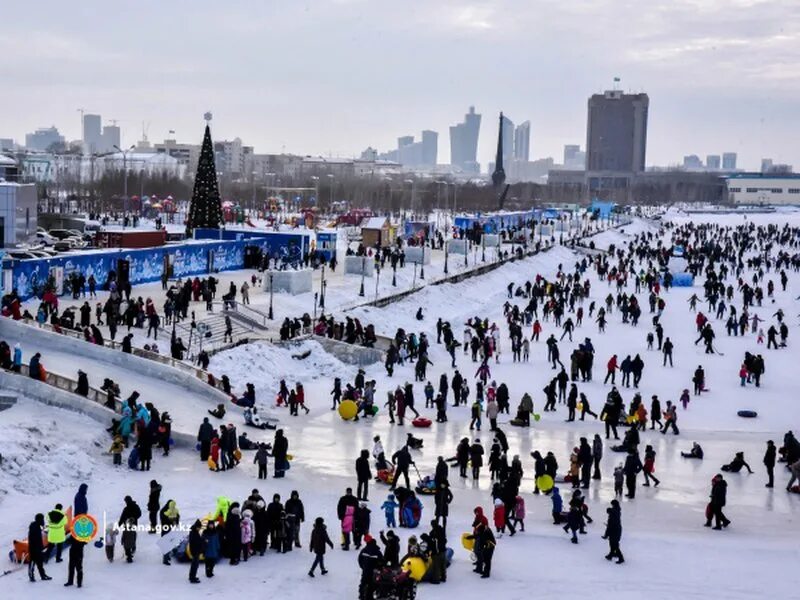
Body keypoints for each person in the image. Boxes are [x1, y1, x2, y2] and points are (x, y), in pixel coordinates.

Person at [357, 535, 384, 599]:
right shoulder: (377, 552)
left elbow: (359, 559)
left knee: (363, 583)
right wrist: (379, 568)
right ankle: (369, 597)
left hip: (365, 570)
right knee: (372, 584)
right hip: (373, 571)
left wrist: (363, 566)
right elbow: (382, 561)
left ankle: (361, 595)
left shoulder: (364, 550)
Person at [28, 513, 51, 582]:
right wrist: (36, 548)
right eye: (42, 519)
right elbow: (33, 539)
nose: (43, 521)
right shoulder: (34, 527)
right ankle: (31, 576)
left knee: (40, 563)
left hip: (38, 548)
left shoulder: (37, 526)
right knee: (32, 562)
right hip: (33, 549)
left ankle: (43, 575)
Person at [602, 499, 624, 564]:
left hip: (614, 531)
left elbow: (610, 526)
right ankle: (611, 555)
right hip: (617, 530)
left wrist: (606, 535)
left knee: (614, 545)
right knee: (612, 544)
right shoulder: (617, 510)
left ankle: (621, 558)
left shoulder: (612, 516)